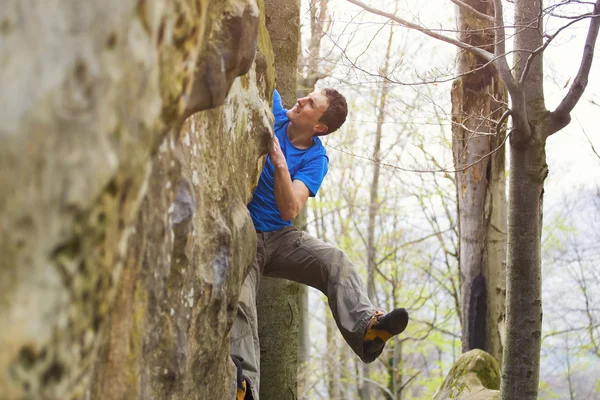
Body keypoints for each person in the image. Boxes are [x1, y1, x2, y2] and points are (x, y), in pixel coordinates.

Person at [230, 88, 409, 400]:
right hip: (246, 235)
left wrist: (280, 163)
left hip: (281, 238)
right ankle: (244, 388)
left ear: (319, 127)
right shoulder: (275, 110)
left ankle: (368, 329)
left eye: (310, 103)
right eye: (306, 96)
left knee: (334, 260)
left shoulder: (315, 158)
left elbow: (290, 209)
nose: (299, 101)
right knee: (242, 302)